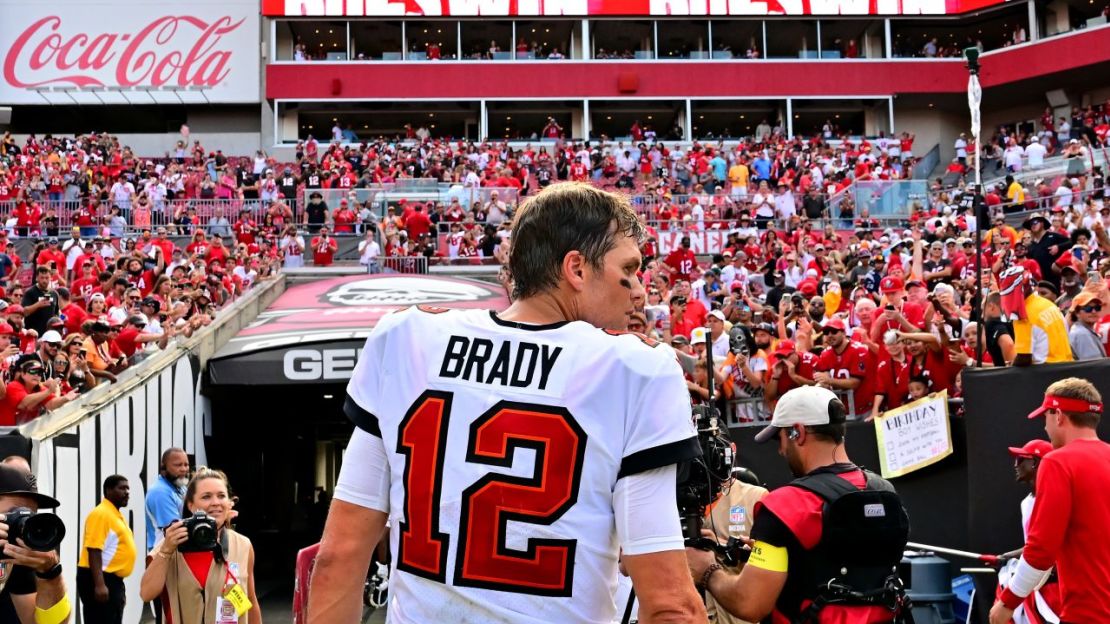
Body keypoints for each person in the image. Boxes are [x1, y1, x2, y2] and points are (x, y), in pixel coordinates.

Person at [308, 183, 705, 623]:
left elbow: (339, 557)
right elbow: (672, 607)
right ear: (576, 268)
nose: (640, 291)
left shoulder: (407, 338)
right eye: (628, 269)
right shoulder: (635, 368)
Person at [687, 386, 910, 623]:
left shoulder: (785, 505)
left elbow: (749, 604)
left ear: (798, 432)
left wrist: (708, 570)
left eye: (779, 438)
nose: (781, 450)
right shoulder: (884, 491)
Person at [991, 378, 1110, 623]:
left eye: (1045, 417)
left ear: (1058, 416)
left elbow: (1042, 550)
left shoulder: (1057, 462)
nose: (1044, 427)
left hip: (1088, 612)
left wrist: (1007, 602)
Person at [140, 467, 261, 624]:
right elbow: (146, 593)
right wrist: (166, 551)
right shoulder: (172, 542)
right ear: (191, 505)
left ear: (229, 502)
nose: (215, 502)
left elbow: (249, 600)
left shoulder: (242, 545)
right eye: (206, 497)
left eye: (221, 496)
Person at [995, 439, 1060, 624]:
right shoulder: (1026, 503)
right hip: (1036, 582)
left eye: (1020, 459)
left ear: (1036, 462)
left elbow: (1049, 545)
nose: (1015, 465)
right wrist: (1006, 557)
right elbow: (1033, 546)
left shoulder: (1055, 498)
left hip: (1056, 588)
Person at [0, 463, 70, 624]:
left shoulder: (18, 550)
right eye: (14, 511)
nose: (22, 520)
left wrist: (50, 574)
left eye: (30, 513)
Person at [703, 466, 768, 624]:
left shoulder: (755, 497)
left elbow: (775, 558)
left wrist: (719, 546)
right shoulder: (669, 501)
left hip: (739, 614)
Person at [77, 475, 135, 624]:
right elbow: (94, 550)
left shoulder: (114, 514)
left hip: (111, 581)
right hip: (100, 579)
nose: (127, 492)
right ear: (108, 490)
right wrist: (100, 585)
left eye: (128, 488)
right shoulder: (101, 514)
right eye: (122, 488)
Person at [998, 266, 1073, 365]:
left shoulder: (1022, 314)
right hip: (1068, 366)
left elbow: (1024, 358)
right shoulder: (1048, 304)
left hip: (1046, 372)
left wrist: (1011, 367)